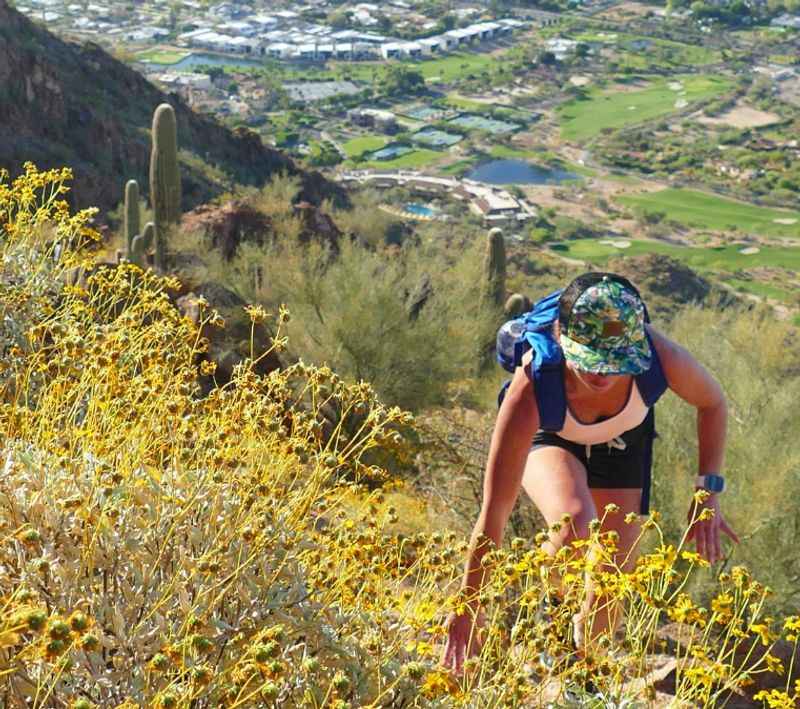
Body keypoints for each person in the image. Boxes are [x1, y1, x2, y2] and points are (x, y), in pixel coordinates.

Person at [442, 272, 739, 673]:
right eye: (591, 360)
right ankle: (553, 623)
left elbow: (713, 402)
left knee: (614, 570)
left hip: (624, 438)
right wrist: (468, 607)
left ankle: (585, 672)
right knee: (574, 523)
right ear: (562, 337)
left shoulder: (659, 357)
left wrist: (708, 491)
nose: (602, 375)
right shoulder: (532, 387)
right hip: (552, 431)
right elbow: (494, 513)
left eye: (616, 362)